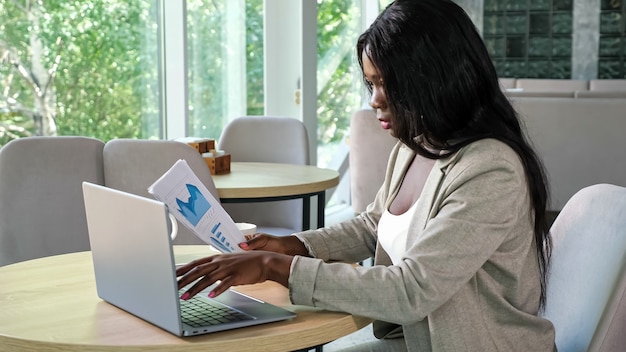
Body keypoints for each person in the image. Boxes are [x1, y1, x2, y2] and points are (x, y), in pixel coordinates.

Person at [176, 0, 557, 350]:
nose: (374, 99)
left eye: (385, 83)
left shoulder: (490, 169)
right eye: (370, 83)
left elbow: (412, 290)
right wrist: (290, 246)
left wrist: (274, 267)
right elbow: (372, 226)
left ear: (433, 78)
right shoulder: (415, 147)